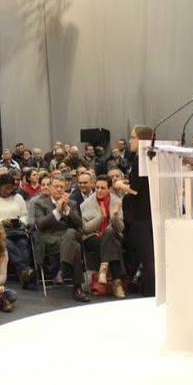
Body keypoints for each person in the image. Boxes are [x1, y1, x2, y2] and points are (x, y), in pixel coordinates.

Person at [31, 176, 89, 302]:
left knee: (71, 232)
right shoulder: (40, 204)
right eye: (56, 186)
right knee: (76, 247)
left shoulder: (72, 203)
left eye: (61, 187)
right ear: (50, 187)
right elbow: (40, 224)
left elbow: (80, 224)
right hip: (51, 240)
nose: (59, 189)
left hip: (69, 235)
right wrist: (57, 210)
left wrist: (67, 209)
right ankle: (77, 288)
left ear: (65, 188)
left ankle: (62, 271)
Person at [0, 174, 35, 287]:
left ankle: (23, 274)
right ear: (0, 186)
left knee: (23, 245)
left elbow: (25, 215)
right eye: (6, 187)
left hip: (17, 229)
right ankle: (25, 272)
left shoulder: (18, 198)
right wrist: (2, 221)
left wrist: (19, 221)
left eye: (11, 187)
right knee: (7, 244)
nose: (9, 190)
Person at [80, 175, 127, 298]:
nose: (99, 191)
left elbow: (120, 228)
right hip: (92, 237)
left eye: (103, 188)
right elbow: (85, 229)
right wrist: (101, 217)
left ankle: (104, 269)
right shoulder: (85, 204)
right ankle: (117, 283)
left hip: (111, 235)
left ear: (109, 189)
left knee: (110, 234)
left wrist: (115, 217)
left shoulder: (117, 202)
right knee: (112, 243)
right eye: (97, 188)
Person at [122, 125, 155, 297]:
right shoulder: (151, 156)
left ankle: (150, 291)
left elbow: (135, 189)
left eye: (132, 137)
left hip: (141, 214)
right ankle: (150, 288)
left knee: (147, 256)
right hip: (150, 212)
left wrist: (120, 185)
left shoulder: (139, 158)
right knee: (149, 255)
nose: (130, 140)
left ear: (141, 140)